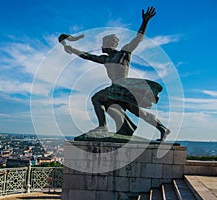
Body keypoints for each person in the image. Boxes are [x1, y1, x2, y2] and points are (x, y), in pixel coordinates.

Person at [60, 7, 170, 141]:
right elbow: (87, 56)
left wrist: (145, 22)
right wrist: (71, 48)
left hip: (123, 87)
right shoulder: (105, 59)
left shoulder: (123, 53)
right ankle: (156, 129)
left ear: (112, 44)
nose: (102, 46)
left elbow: (138, 39)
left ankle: (103, 127)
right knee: (128, 109)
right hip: (115, 88)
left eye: (104, 43)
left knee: (99, 99)